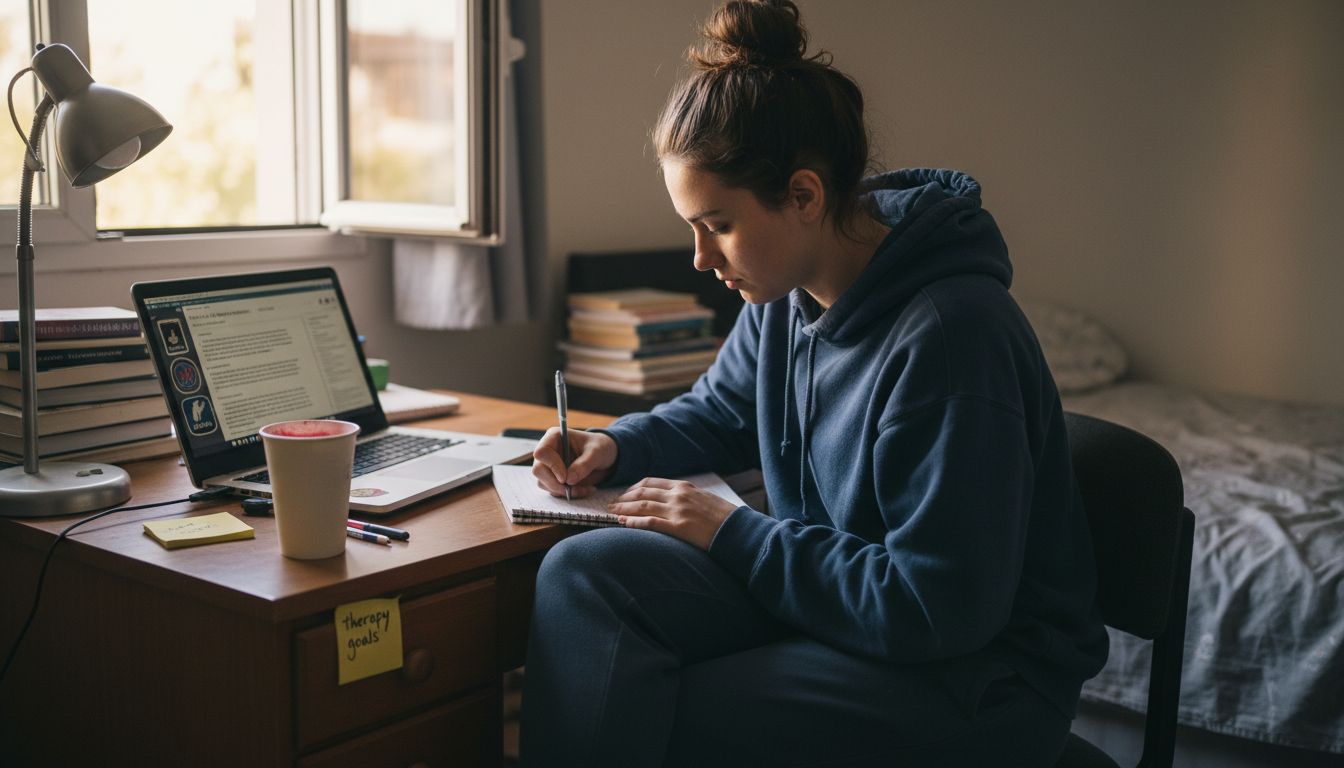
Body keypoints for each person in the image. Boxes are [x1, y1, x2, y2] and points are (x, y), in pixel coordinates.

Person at [522, 1, 1108, 765]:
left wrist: (734, 532)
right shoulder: (785, 294)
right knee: (583, 576)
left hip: (975, 676)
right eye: (691, 228)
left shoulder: (953, 338)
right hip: (841, 597)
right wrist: (613, 443)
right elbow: (724, 408)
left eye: (718, 225)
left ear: (803, 196)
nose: (701, 259)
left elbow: (935, 610)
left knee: (681, 702)